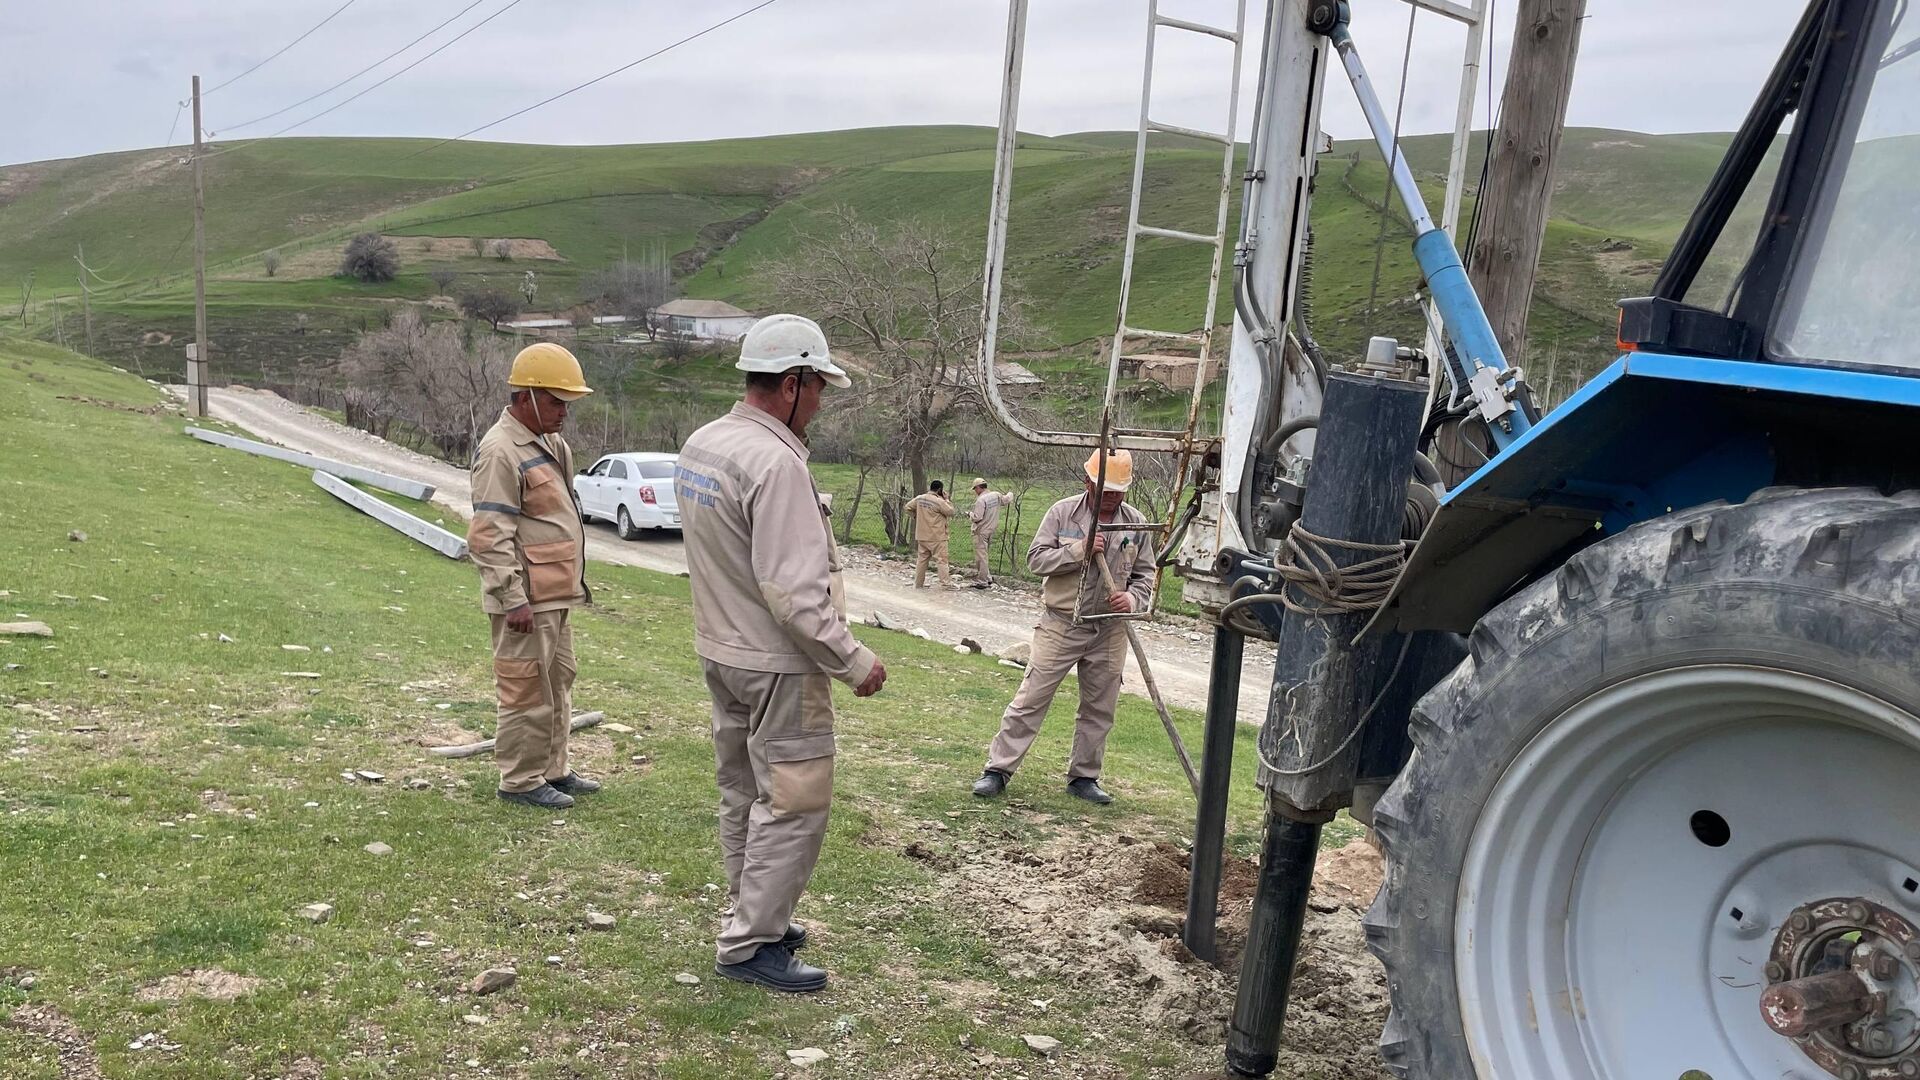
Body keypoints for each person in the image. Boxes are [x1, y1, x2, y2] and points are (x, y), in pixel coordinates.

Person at [677, 313, 888, 993]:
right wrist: (854, 660)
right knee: (792, 803)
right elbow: (795, 595)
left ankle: (754, 912)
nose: (821, 400)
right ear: (792, 382)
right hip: (778, 666)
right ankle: (751, 945)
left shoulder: (707, 443)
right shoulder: (777, 464)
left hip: (723, 650)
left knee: (743, 792)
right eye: (818, 385)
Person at [970, 449, 1153, 805]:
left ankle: (1084, 778)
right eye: (1105, 488)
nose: (1112, 496)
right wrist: (1078, 551)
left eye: (1118, 490)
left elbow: (1147, 576)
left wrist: (1132, 600)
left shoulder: (1136, 523)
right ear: (1087, 481)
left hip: (1110, 629)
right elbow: (1036, 560)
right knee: (1031, 698)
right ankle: (997, 771)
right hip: (1062, 622)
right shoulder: (1062, 512)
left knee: (1100, 708)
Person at [467, 342, 601, 810]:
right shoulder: (500, 451)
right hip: (525, 601)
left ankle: (553, 769)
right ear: (525, 397)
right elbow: (489, 534)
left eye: (568, 402)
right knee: (525, 687)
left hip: (555, 595)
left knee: (558, 681)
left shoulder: (551, 443)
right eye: (556, 401)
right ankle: (520, 780)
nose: (564, 411)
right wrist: (512, 598)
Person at [906, 480, 955, 588]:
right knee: (942, 561)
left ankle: (918, 584)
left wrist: (915, 516)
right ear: (940, 490)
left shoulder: (919, 498)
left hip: (922, 535)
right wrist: (947, 499)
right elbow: (951, 512)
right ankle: (945, 584)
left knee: (922, 560)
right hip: (937, 537)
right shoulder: (939, 501)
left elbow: (907, 507)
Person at [966, 478, 1014, 588]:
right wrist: (1010, 494)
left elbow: (977, 517)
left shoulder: (981, 500)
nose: (975, 491)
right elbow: (1006, 500)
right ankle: (988, 578)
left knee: (981, 557)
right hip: (991, 529)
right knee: (985, 555)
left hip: (981, 531)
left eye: (975, 489)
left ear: (979, 487)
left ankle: (982, 581)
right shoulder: (996, 495)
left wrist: (970, 514)